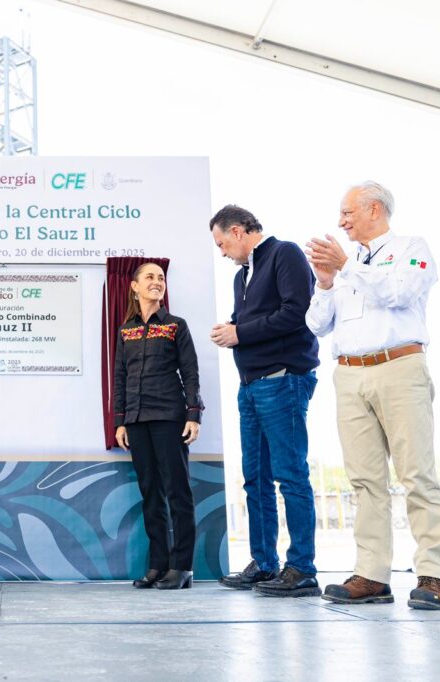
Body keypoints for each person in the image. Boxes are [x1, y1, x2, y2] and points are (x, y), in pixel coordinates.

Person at [306, 181, 440, 610]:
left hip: (399, 367)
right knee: (364, 480)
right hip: (350, 374)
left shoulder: (412, 248)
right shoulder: (345, 267)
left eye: (347, 212)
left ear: (374, 209)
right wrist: (325, 283)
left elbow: (397, 293)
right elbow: (317, 325)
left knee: (417, 474)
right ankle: (371, 575)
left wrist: (346, 266)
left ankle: (434, 575)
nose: (341, 222)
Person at [209, 205, 322, 598]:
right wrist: (231, 329)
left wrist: (240, 333)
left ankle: (302, 568)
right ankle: (264, 563)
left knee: (290, 475)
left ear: (238, 231)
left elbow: (297, 313)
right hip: (250, 386)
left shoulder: (284, 253)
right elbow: (251, 322)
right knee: (255, 478)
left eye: (222, 243)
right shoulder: (241, 276)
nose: (222, 252)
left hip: (283, 380)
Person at [113, 262, 202, 590]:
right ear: (134, 287)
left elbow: (190, 372)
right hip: (136, 420)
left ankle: (182, 567)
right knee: (150, 493)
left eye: (161, 277)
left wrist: (194, 414)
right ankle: (158, 565)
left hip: (169, 416)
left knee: (177, 492)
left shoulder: (176, 325)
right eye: (149, 277)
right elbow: (120, 377)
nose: (157, 282)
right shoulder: (126, 331)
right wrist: (120, 421)